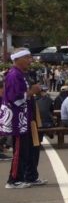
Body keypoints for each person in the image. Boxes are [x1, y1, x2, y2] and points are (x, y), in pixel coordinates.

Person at [2, 50, 38, 187]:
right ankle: (13, 180)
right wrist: (31, 92)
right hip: (17, 119)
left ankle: (25, 177)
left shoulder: (21, 74)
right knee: (19, 150)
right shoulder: (14, 75)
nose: (30, 60)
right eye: (27, 57)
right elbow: (14, 98)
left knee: (26, 149)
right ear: (18, 59)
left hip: (23, 117)